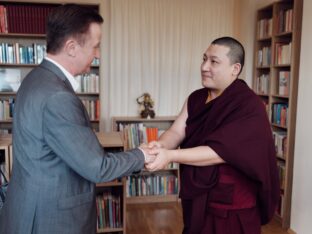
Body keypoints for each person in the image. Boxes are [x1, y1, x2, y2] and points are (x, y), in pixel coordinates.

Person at [0, 4, 154, 234]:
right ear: (72, 47)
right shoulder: (57, 96)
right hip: (50, 219)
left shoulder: (35, 78)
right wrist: (141, 155)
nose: (98, 54)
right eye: (96, 46)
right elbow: (98, 168)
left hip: (28, 208)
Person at [145, 37, 280, 234]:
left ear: (235, 68)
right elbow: (176, 130)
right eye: (204, 59)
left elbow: (220, 152)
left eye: (214, 62)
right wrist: (161, 146)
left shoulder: (249, 105)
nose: (204, 67)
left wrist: (171, 156)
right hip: (199, 194)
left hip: (230, 204)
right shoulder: (196, 98)